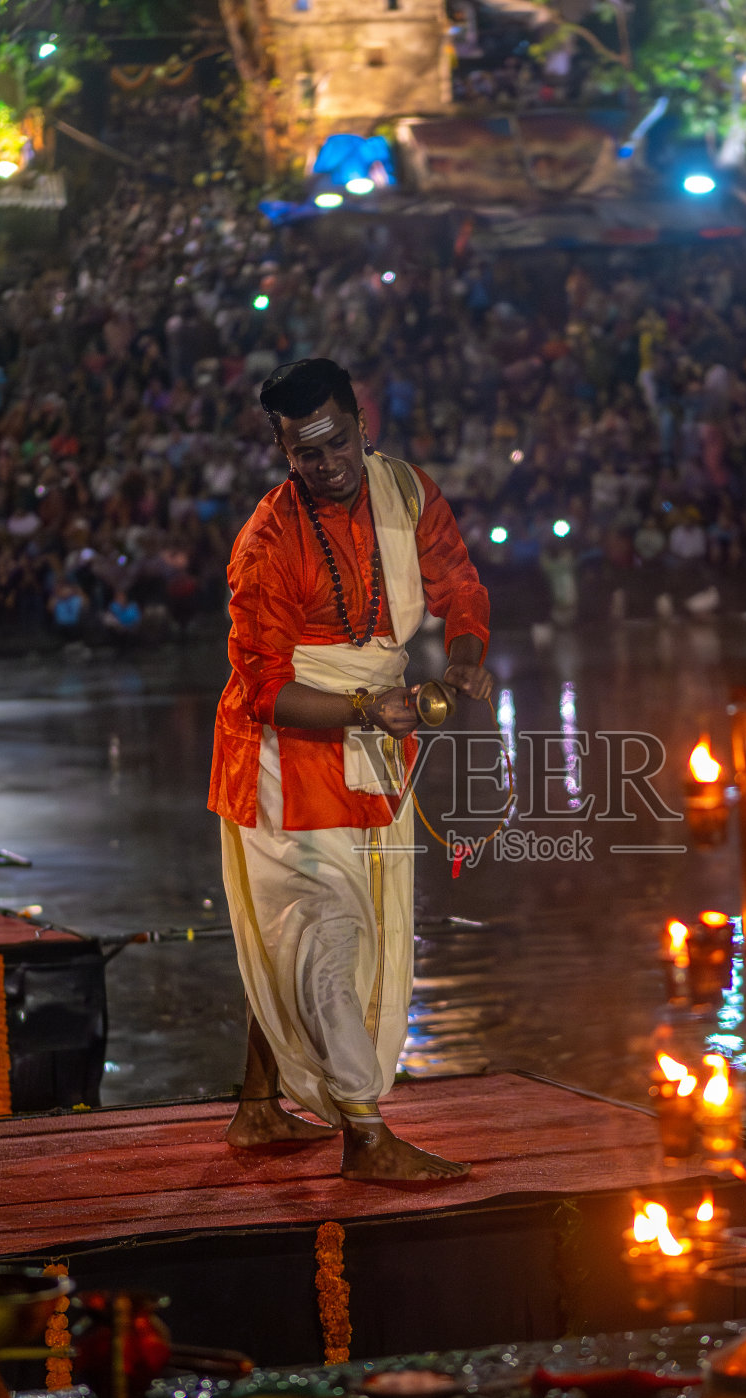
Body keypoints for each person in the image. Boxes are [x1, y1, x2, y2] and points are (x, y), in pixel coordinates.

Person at [209, 358, 492, 1182]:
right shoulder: (267, 541)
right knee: (323, 929)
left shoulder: (406, 492)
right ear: (281, 449)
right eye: (306, 455)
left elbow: (459, 586)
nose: (327, 466)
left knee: (313, 924)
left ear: (363, 424)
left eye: (337, 445)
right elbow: (264, 688)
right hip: (282, 760)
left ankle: (259, 1106)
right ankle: (365, 1135)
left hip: (375, 741)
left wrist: (466, 657)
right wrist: (367, 709)